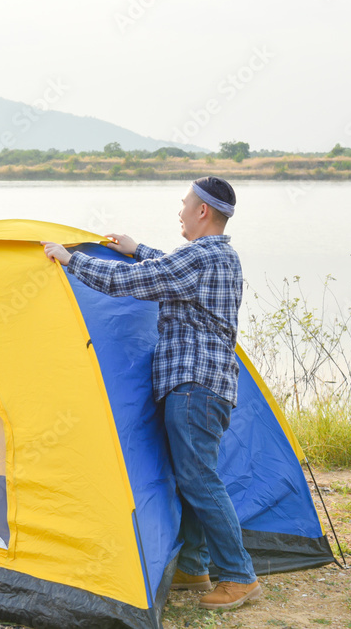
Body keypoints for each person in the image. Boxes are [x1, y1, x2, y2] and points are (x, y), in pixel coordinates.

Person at [41, 176, 262, 611]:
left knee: (200, 479)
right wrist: (136, 247)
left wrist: (72, 262)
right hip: (207, 386)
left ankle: (239, 576)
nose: (179, 211)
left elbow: (139, 281)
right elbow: (166, 269)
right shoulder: (217, 256)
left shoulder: (201, 256)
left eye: (184, 204)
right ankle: (195, 566)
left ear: (203, 211)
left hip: (193, 386)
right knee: (194, 477)